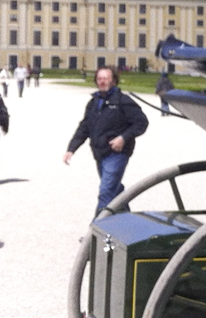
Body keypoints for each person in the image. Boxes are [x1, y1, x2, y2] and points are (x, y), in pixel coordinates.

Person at [63, 66, 150, 215]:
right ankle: (127, 220)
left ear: (114, 81)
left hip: (117, 153)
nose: (102, 81)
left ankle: (96, 226)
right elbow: (84, 127)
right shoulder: (93, 102)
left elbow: (141, 123)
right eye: (99, 78)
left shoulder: (123, 101)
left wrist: (123, 137)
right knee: (115, 190)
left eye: (105, 78)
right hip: (99, 152)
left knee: (106, 191)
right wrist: (71, 149)